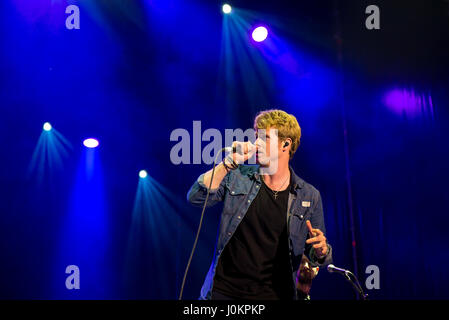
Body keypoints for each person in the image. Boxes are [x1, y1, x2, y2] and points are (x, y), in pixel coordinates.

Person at [187, 109, 332, 300]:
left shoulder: (309, 195)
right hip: (223, 292)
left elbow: (316, 253)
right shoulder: (238, 176)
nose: (256, 144)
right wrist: (228, 164)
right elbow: (196, 197)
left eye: (264, 138)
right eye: (256, 136)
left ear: (285, 144)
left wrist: (321, 251)